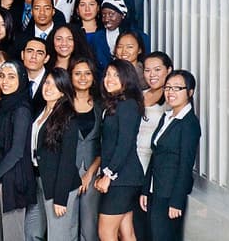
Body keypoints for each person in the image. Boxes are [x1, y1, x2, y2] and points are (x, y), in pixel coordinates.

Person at [140, 70, 201, 241]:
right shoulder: (167, 117)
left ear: (190, 92)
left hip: (169, 195)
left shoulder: (189, 124)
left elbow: (185, 165)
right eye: (167, 87)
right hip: (155, 190)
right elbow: (155, 154)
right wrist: (146, 189)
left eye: (177, 88)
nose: (170, 92)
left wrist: (176, 201)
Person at [95, 59, 145, 241]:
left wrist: (108, 175)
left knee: (106, 233)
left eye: (116, 75)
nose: (109, 79)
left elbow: (125, 143)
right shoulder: (116, 103)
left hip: (122, 178)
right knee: (127, 233)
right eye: (107, 74)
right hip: (125, 178)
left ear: (127, 79)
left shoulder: (128, 104)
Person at [0, 61, 35, 241]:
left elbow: (17, 151)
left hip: (13, 180)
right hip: (0, 178)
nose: (5, 81)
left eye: (11, 77)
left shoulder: (21, 109)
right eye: (2, 76)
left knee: (12, 236)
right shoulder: (3, 106)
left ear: (21, 79)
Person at [33, 68, 81, 240]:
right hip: (39, 181)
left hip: (59, 186)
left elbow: (67, 161)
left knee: (58, 236)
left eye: (55, 85)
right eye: (47, 83)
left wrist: (61, 198)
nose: (48, 88)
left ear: (63, 90)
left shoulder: (68, 118)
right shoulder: (39, 111)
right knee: (32, 232)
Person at [134, 52, 174, 240]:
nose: (152, 75)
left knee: (147, 226)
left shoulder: (171, 102)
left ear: (169, 71)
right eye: (148, 70)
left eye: (157, 70)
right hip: (131, 166)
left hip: (152, 169)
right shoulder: (139, 96)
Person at [68, 57, 103, 241]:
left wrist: (90, 173)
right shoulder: (63, 105)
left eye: (87, 73)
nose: (83, 77)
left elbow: (106, 145)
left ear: (93, 77)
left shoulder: (101, 106)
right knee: (68, 225)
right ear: (70, 76)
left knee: (90, 226)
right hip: (67, 172)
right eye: (77, 73)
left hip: (93, 171)